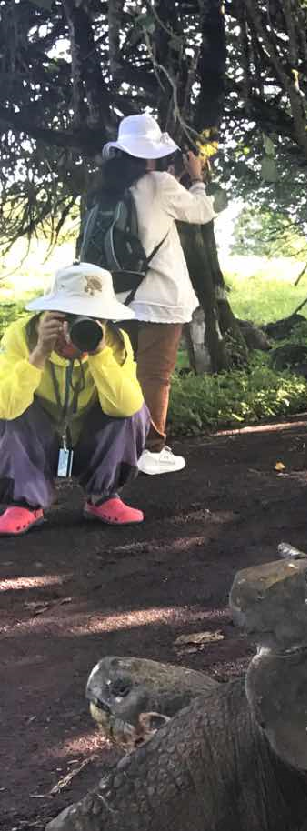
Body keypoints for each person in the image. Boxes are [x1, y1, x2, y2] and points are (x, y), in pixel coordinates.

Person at [87, 112, 216, 474]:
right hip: (160, 299)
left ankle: (115, 446)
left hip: (118, 299)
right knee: (155, 375)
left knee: (120, 372)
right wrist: (197, 178)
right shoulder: (160, 183)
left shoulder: (106, 190)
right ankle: (152, 449)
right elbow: (201, 212)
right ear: (149, 153)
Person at [0, 263, 150, 536]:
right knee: (12, 406)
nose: (81, 327)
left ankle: (103, 497)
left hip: (88, 439)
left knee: (133, 410)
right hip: (36, 440)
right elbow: (5, 407)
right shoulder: (22, 336)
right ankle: (24, 502)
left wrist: (100, 353)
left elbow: (128, 408)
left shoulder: (116, 341)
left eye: (95, 317)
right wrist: (39, 353)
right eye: (72, 317)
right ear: (52, 314)